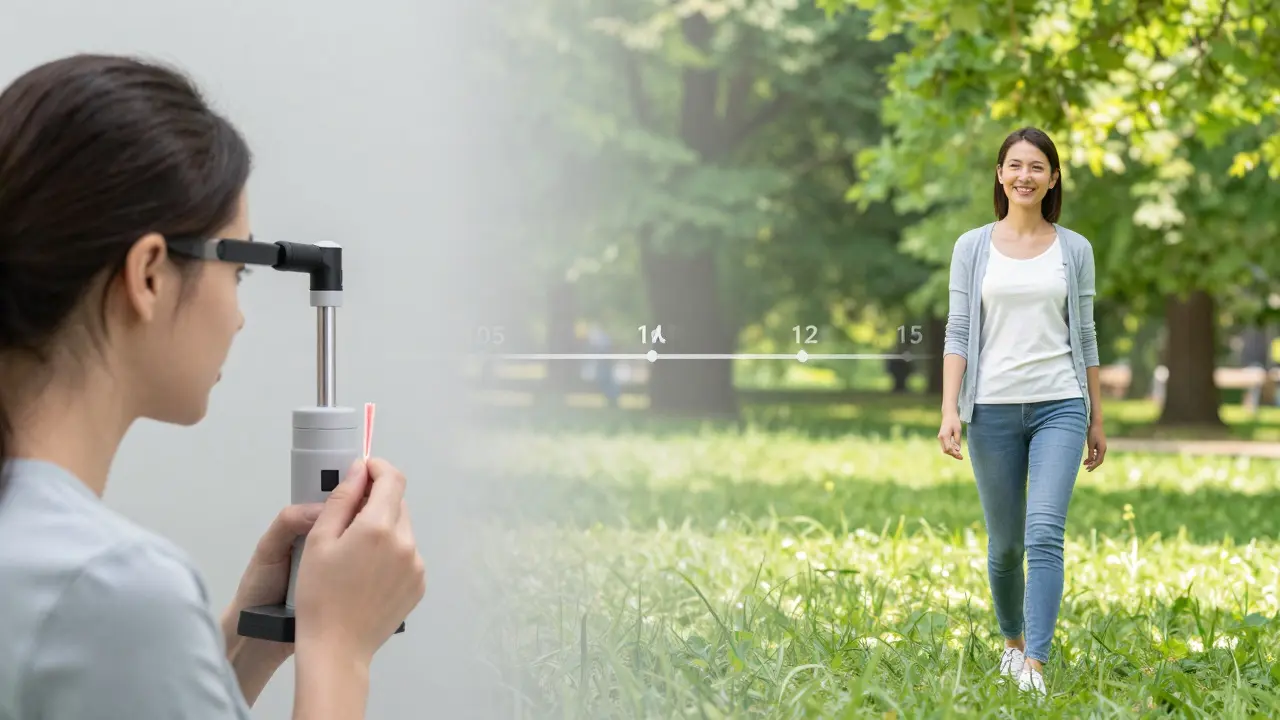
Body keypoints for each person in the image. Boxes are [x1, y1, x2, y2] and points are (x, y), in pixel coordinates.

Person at [0, 54, 426, 718]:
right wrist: (340, 646)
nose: (238, 315)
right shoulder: (109, 586)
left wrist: (243, 643)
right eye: (240, 270)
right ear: (147, 275)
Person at [936, 126, 1107, 696]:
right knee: (1005, 544)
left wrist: (1096, 419)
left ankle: (1035, 663)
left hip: (1060, 404)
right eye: (1015, 165)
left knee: (1043, 533)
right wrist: (949, 409)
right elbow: (958, 331)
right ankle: (1011, 643)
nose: (1024, 175)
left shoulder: (1074, 249)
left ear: (1053, 178)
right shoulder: (972, 246)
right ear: (1000, 174)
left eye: (1037, 167)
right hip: (991, 408)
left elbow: (1084, 335)